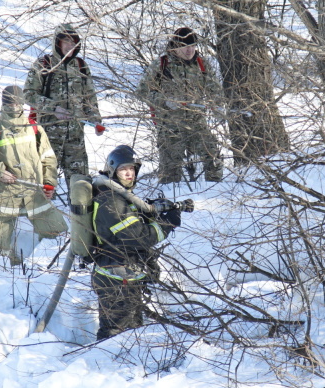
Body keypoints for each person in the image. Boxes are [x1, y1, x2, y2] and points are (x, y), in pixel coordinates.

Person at [90, 145, 181, 340]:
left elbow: (133, 223)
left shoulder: (119, 196)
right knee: (114, 334)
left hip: (125, 273)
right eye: (124, 169)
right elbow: (137, 238)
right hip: (116, 276)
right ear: (113, 171)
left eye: (132, 169)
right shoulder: (111, 201)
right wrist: (167, 224)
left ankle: (119, 366)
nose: (129, 173)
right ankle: (101, 364)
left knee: (131, 333)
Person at [0, 86, 67, 266]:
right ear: (3, 103)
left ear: (22, 103)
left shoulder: (33, 127)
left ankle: (55, 263)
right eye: (9, 102)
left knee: (56, 232)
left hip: (34, 192)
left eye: (17, 102)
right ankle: (0, 268)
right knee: (1, 243)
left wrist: (49, 183)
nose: (14, 106)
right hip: (5, 194)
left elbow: (48, 158)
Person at [136, 27, 223, 184]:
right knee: (170, 172)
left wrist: (217, 107)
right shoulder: (162, 64)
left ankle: (214, 190)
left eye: (193, 46)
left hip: (197, 123)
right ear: (175, 46)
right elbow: (142, 92)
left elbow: (214, 90)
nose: (189, 50)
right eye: (185, 46)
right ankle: (170, 201)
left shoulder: (202, 65)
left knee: (213, 157)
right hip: (170, 126)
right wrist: (164, 100)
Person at [24, 24, 103, 186]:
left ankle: (78, 211)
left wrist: (96, 120)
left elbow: (89, 97)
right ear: (57, 43)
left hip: (75, 139)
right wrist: (53, 108)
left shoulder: (81, 66)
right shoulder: (43, 64)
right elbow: (28, 94)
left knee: (81, 187)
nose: (70, 46)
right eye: (66, 42)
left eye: (73, 42)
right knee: (44, 186)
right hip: (48, 138)